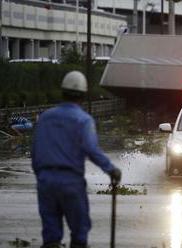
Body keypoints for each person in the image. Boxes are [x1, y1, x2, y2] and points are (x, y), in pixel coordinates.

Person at [31, 71, 121, 248]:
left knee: (51, 235)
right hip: (71, 182)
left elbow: (35, 152)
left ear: (62, 91)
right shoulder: (83, 120)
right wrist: (111, 169)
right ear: (83, 95)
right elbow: (91, 150)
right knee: (80, 232)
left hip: (46, 181)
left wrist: (42, 176)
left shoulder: (45, 118)